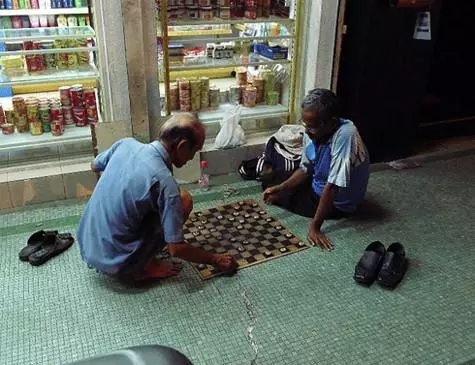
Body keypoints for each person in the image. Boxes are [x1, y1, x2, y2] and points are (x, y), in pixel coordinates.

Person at [77, 113, 238, 282]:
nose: (192, 158)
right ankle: (143, 267)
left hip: (87, 243)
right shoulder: (164, 182)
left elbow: (94, 165)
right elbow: (176, 249)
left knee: (159, 200)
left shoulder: (125, 144)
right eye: (195, 150)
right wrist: (214, 259)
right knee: (183, 200)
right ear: (182, 146)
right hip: (117, 263)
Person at [263, 89, 370, 251]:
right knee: (271, 179)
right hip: (317, 183)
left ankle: (289, 198)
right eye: (305, 124)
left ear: (331, 122)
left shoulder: (346, 134)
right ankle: (284, 192)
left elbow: (333, 186)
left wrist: (315, 227)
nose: (306, 130)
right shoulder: (312, 131)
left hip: (337, 202)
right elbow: (306, 169)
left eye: (312, 126)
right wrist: (282, 187)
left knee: (279, 196)